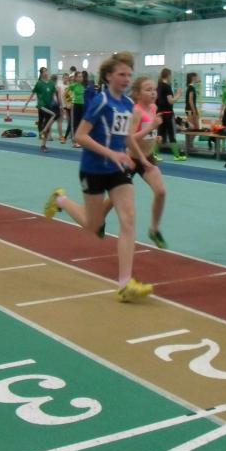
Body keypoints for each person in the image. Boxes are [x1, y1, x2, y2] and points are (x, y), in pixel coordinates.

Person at [43, 52, 152, 303]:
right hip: (93, 169)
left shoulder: (127, 104)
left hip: (117, 170)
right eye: (121, 74)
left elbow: (126, 137)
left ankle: (125, 284)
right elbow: (80, 136)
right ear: (109, 76)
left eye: (129, 75)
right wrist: (110, 153)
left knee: (129, 219)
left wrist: (141, 159)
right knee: (93, 225)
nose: (126, 79)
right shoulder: (100, 102)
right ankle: (60, 200)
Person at [128, 76, 168, 248]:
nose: (153, 93)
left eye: (154, 89)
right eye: (148, 90)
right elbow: (129, 138)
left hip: (148, 158)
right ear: (138, 94)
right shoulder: (136, 111)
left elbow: (148, 133)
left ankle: (154, 229)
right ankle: (100, 220)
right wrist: (151, 128)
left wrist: (154, 137)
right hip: (131, 158)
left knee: (161, 192)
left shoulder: (153, 107)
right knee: (115, 198)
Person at [155, 67, 185, 161]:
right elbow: (171, 101)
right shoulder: (167, 86)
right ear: (168, 76)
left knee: (160, 134)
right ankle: (177, 155)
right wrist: (178, 95)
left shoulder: (158, 86)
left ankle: (154, 154)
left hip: (160, 113)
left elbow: (157, 101)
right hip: (168, 114)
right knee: (171, 134)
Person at [22, 72, 57, 152]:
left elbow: (53, 95)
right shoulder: (39, 84)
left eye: (46, 71)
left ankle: (43, 144)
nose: (46, 73)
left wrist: (57, 103)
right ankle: (43, 130)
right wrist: (26, 105)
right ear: (41, 74)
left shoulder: (51, 84)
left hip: (49, 106)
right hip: (41, 105)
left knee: (49, 121)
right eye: (44, 72)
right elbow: (32, 94)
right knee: (52, 115)